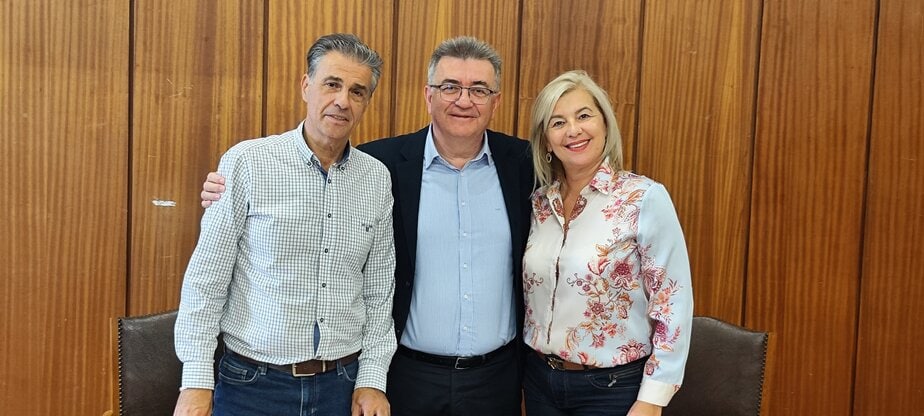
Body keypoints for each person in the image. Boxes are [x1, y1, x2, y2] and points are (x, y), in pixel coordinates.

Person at [201, 36, 533, 416]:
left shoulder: (526, 164)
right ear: (428, 95)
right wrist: (224, 191)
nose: (463, 100)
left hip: (496, 379)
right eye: (450, 87)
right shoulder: (381, 165)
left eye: (479, 90)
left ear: (496, 101)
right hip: (405, 377)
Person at [174, 33, 396, 416]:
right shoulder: (248, 163)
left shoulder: (376, 179)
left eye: (357, 91)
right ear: (306, 86)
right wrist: (195, 382)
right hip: (252, 386)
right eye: (332, 84)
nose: (343, 101)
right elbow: (206, 280)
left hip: (341, 386)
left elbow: (379, 291)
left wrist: (372, 379)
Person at [521, 70, 693, 416]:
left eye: (584, 116)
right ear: (546, 141)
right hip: (541, 382)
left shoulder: (643, 198)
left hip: (613, 389)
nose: (573, 130)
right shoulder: (539, 203)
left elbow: (672, 301)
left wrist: (653, 399)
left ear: (604, 124)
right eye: (558, 122)